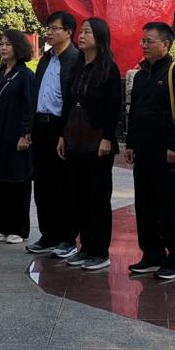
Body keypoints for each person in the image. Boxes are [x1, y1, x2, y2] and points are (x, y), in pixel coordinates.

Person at [123, 22, 175, 280]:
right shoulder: (142, 74)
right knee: (145, 205)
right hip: (143, 151)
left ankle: (174, 260)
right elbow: (134, 112)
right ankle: (152, 255)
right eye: (143, 41)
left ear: (165, 44)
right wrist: (131, 143)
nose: (144, 45)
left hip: (167, 153)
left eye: (149, 41)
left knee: (169, 206)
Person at [56, 18, 123, 271]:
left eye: (87, 32)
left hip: (97, 140)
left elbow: (114, 107)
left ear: (100, 37)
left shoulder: (108, 69)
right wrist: (62, 135)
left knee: (98, 197)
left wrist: (107, 136)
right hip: (74, 138)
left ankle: (100, 251)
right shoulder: (77, 67)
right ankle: (85, 247)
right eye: (81, 32)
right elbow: (67, 103)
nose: (81, 36)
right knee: (79, 196)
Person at [28, 12, 81, 258]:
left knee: (64, 184)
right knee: (42, 184)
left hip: (62, 127)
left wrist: (65, 132)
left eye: (54, 29)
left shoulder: (76, 59)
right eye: (48, 28)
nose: (49, 33)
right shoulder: (46, 59)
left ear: (68, 32)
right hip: (41, 126)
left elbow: (74, 100)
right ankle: (48, 235)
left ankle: (67, 237)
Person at [0, 30, 36, 244]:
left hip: (16, 134)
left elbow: (29, 107)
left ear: (18, 48)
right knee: (0, 180)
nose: (4, 48)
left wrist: (25, 134)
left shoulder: (25, 75)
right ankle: (2, 226)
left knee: (18, 181)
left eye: (8, 45)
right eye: (2, 44)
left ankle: (18, 229)